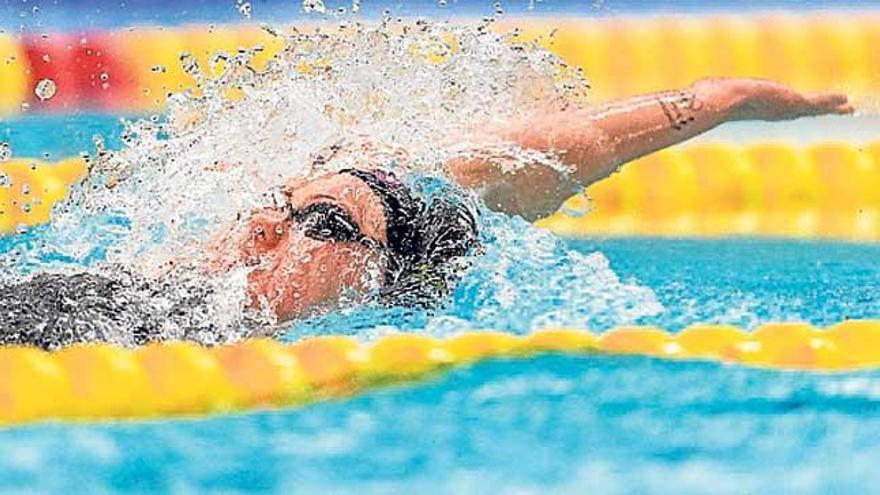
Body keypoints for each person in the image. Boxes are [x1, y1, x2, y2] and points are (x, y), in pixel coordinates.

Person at [0, 77, 853, 349]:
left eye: (324, 227)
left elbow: (666, 115)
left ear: (386, 280)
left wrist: (762, 99)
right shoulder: (197, 271)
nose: (262, 233)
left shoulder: (491, 186)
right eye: (277, 209)